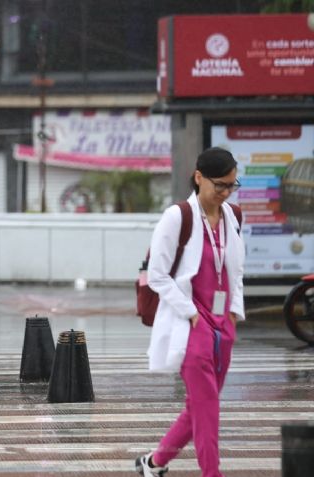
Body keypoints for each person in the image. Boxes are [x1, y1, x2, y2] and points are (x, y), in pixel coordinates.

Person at [136, 148, 245, 477]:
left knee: (198, 406)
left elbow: (235, 272)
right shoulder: (178, 216)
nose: (225, 193)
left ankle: (153, 463)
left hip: (222, 325)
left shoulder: (233, 216)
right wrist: (191, 313)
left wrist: (234, 314)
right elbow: (156, 274)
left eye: (231, 185)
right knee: (208, 407)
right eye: (220, 185)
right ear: (199, 178)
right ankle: (212, 473)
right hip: (191, 324)